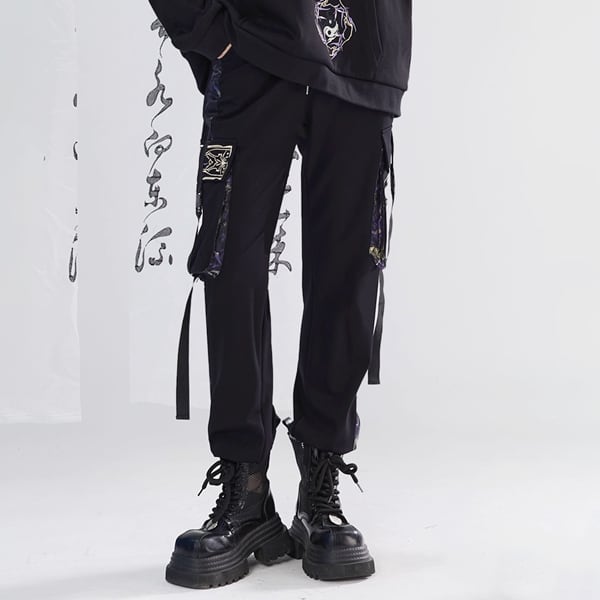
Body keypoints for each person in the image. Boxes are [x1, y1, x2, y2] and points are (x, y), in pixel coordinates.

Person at [147, 0, 412, 589]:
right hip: (254, 44)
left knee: (349, 273)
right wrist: (204, 29)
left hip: (364, 51)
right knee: (229, 264)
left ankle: (320, 482)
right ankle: (246, 487)